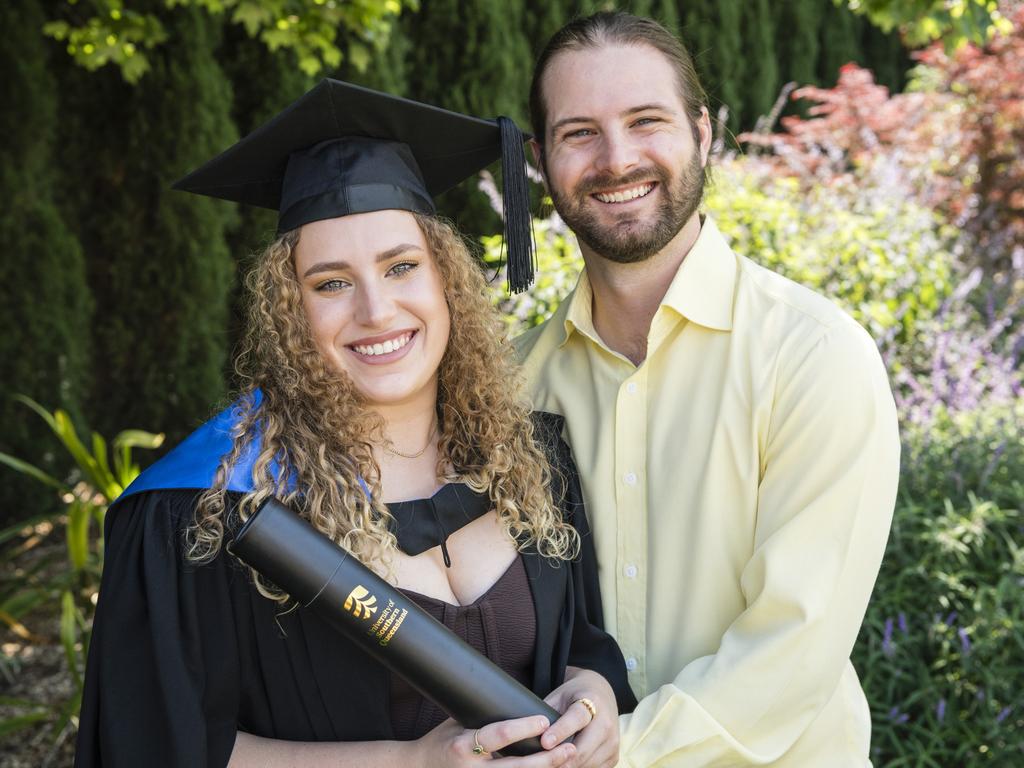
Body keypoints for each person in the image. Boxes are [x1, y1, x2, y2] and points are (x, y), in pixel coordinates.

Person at [74, 79, 635, 768]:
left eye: (402, 267)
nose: (375, 310)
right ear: (289, 311)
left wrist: (596, 695)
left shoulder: (530, 459)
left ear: (447, 282)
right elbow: (158, 745)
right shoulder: (206, 510)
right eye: (331, 283)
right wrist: (406, 763)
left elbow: (578, 644)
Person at [516, 12, 901, 768]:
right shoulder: (512, 385)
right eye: (579, 133)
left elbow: (795, 647)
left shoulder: (814, 358)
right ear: (540, 159)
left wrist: (621, 747)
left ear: (703, 132)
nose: (617, 158)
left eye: (646, 121)